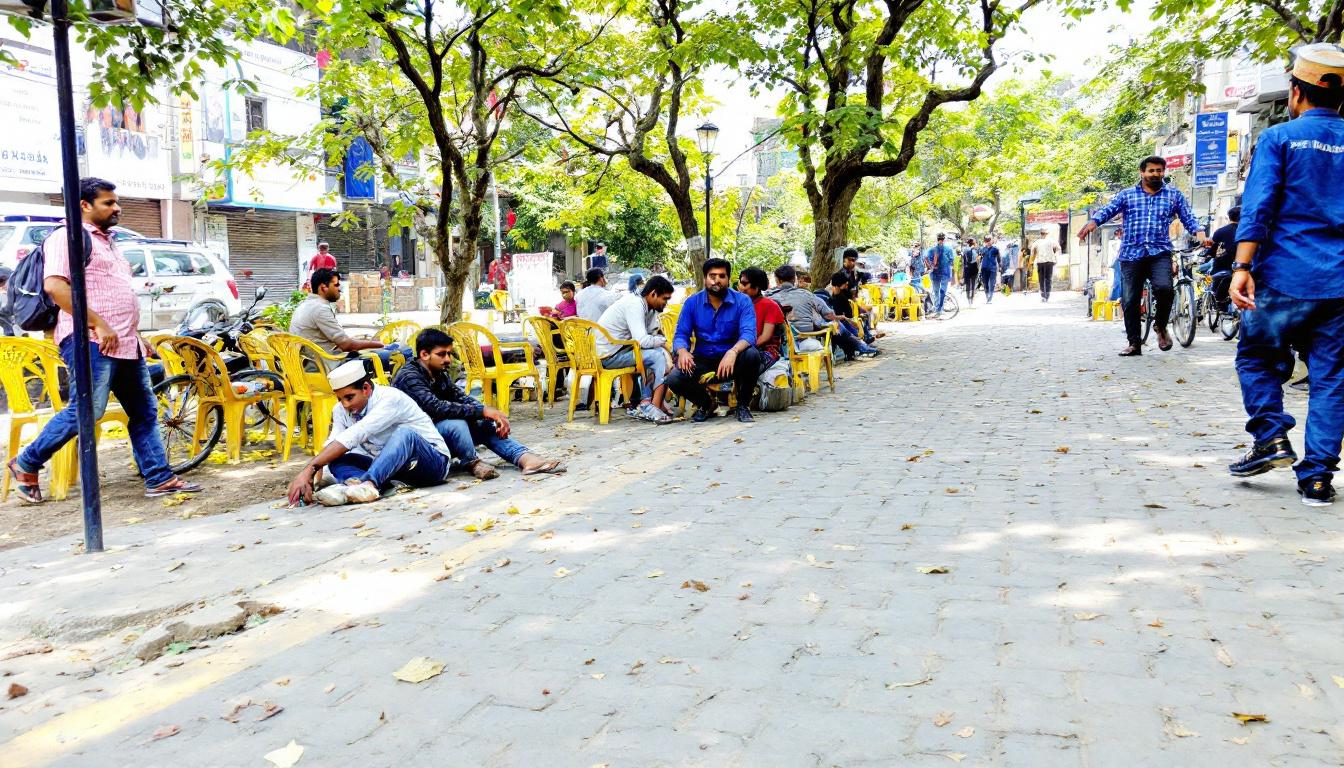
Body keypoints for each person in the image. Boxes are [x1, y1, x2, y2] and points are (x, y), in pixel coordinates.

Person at [6, 177, 203, 503]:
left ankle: (159, 478)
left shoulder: (108, 241)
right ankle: (26, 462)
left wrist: (135, 335)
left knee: (143, 411)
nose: (117, 208)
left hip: (124, 343)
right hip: (91, 340)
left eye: (116, 202)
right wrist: (100, 325)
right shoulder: (66, 237)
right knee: (87, 410)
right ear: (84, 205)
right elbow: (56, 287)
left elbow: (113, 292)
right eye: (108, 203)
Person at [1225, 42, 1344, 507]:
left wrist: (1241, 266)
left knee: (1255, 358)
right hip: (1339, 284)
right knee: (1332, 377)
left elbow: (1257, 208)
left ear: (1296, 94)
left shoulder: (1279, 139)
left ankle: (1271, 438)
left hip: (1284, 278)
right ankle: (1317, 479)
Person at [1078, 156, 1210, 356]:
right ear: (1142, 172)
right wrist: (1093, 223)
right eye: (1151, 171)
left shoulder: (1173, 195)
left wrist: (1200, 234)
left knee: (1165, 289)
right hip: (1131, 254)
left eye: (1159, 170)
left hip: (1160, 253)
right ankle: (1134, 343)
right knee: (1130, 300)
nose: (1156, 174)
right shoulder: (1127, 195)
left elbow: (1188, 217)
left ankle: (1160, 326)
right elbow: (1108, 210)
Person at [392, 329, 566, 478]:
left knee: (483, 422)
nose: (448, 360)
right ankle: (472, 462)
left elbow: (460, 397)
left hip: (438, 433)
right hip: (418, 443)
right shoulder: (410, 376)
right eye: (441, 354)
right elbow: (436, 408)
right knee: (457, 423)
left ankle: (526, 459)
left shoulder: (439, 372)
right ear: (424, 354)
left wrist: (490, 413)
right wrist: (482, 411)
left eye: (449, 354)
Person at [287, 360, 452, 506]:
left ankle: (368, 485)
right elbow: (333, 442)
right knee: (336, 459)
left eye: (349, 398)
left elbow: (355, 435)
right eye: (340, 399)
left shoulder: (390, 398)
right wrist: (312, 479)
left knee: (405, 434)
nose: (344, 405)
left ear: (366, 388)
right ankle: (362, 486)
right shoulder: (340, 410)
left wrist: (310, 468)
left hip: (431, 464)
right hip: (391, 470)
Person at [667, 258, 762, 424]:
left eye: (722, 276)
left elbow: (749, 334)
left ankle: (743, 405)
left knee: (752, 355)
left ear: (728, 279)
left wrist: (733, 351)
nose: (717, 280)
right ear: (705, 278)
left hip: (733, 360)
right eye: (712, 275)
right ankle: (707, 405)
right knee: (675, 378)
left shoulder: (743, 301)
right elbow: (681, 334)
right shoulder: (692, 303)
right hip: (704, 359)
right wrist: (682, 351)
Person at [290, 268, 411, 371]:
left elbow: (340, 341)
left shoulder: (305, 305)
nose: (340, 289)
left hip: (316, 362)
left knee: (393, 348)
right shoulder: (319, 309)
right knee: (404, 353)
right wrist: (380, 345)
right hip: (329, 366)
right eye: (336, 285)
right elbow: (347, 345)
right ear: (323, 287)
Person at [597, 275, 675, 424]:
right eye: (664, 299)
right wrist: (665, 343)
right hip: (609, 356)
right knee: (658, 356)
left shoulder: (649, 307)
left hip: (621, 350)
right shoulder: (635, 304)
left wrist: (666, 348)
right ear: (653, 294)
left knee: (660, 354)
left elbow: (652, 333)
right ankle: (651, 406)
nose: (665, 303)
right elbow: (643, 340)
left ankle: (650, 402)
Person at [765, 264, 865, 360]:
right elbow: (829, 315)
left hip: (780, 344)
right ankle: (858, 345)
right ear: (794, 279)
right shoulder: (807, 294)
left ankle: (857, 345)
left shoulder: (769, 298)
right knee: (836, 325)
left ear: (777, 280)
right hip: (804, 338)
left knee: (837, 325)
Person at [738, 267, 786, 371]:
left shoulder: (770, 305)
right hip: (741, 347)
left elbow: (765, 336)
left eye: (745, 284)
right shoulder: (737, 304)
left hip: (766, 350)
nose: (741, 287)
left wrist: (739, 348)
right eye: (740, 283)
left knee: (748, 360)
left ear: (757, 286)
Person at [826, 272, 881, 358]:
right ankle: (863, 347)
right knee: (850, 332)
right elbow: (830, 314)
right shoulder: (830, 295)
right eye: (845, 283)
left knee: (853, 328)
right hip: (836, 322)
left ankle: (859, 347)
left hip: (841, 320)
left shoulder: (841, 293)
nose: (847, 284)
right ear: (839, 284)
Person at [1201, 207, 1239, 311]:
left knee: (1212, 281)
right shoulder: (1243, 231)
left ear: (1229, 217)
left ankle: (1219, 304)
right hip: (1239, 265)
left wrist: (1208, 255)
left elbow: (1213, 250)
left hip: (1221, 265)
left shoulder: (1220, 231)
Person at [926, 233, 955, 318]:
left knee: (937, 291)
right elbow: (951, 260)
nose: (941, 240)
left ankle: (939, 309)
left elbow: (929, 261)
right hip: (940, 273)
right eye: (941, 239)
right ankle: (939, 309)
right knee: (939, 291)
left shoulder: (933, 249)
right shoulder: (944, 249)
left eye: (941, 239)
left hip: (940, 273)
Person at [1029, 229, 1060, 303]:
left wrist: (1031, 262)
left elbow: (1032, 252)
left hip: (1040, 262)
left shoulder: (1037, 242)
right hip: (1050, 261)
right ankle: (1047, 295)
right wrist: (1054, 254)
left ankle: (1043, 296)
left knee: (1041, 279)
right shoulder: (1052, 241)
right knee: (1048, 278)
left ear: (1041, 234)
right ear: (1047, 234)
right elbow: (1058, 248)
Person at [979, 236, 1001, 304]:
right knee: (985, 284)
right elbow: (980, 259)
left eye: (989, 240)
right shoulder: (982, 249)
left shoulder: (995, 249)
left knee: (992, 284)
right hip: (984, 268)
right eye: (986, 241)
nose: (988, 242)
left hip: (992, 269)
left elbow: (999, 259)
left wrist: (1000, 267)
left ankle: (990, 297)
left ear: (991, 241)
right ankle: (987, 297)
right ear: (985, 242)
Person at [960, 238, 979, 305]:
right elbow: (973, 260)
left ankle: (969, 299)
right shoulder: (973, 250)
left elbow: (963, 260)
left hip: (967, 269)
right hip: (972, 268)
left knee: (969, 285)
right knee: (973, 284)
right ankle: (971, 299)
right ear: (973, 243)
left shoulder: (965, 249)